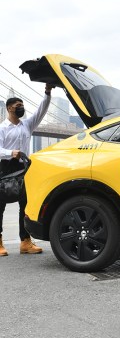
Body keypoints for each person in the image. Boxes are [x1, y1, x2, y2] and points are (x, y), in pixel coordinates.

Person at [0, 84, 53, 256]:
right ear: (9, 108)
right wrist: (10, 152)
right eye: (18, 106)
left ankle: (25, 242)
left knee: (26, 205)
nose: (21, 108)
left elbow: (41, 111)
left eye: (22, 106)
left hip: (24, 168)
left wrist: (47, 92)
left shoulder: (27, 125)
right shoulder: (1, 128)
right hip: (4, 167)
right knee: (0, 206)